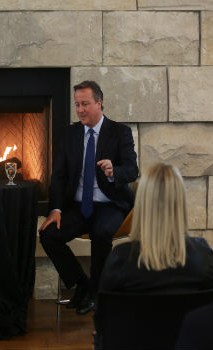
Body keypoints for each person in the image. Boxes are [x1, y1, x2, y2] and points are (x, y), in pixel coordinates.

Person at [39, 81, 138, 315]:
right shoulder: (71, 134)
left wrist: (115, 171)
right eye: (77, 105)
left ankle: (97, 293)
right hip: (78, 206)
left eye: (85, 104)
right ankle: (84, 285)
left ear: (99, 103)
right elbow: (59, 176)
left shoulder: (119, 132)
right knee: (48, 235)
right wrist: (56, 210)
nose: (80, 110)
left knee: (101, 233)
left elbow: (132, 170)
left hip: (110, 203)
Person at [99, 162, 213, 293]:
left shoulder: (120, 259)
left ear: (142, 203)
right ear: (180, 203)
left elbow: (107, 311)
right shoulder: (203, 256)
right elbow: (208, 310)